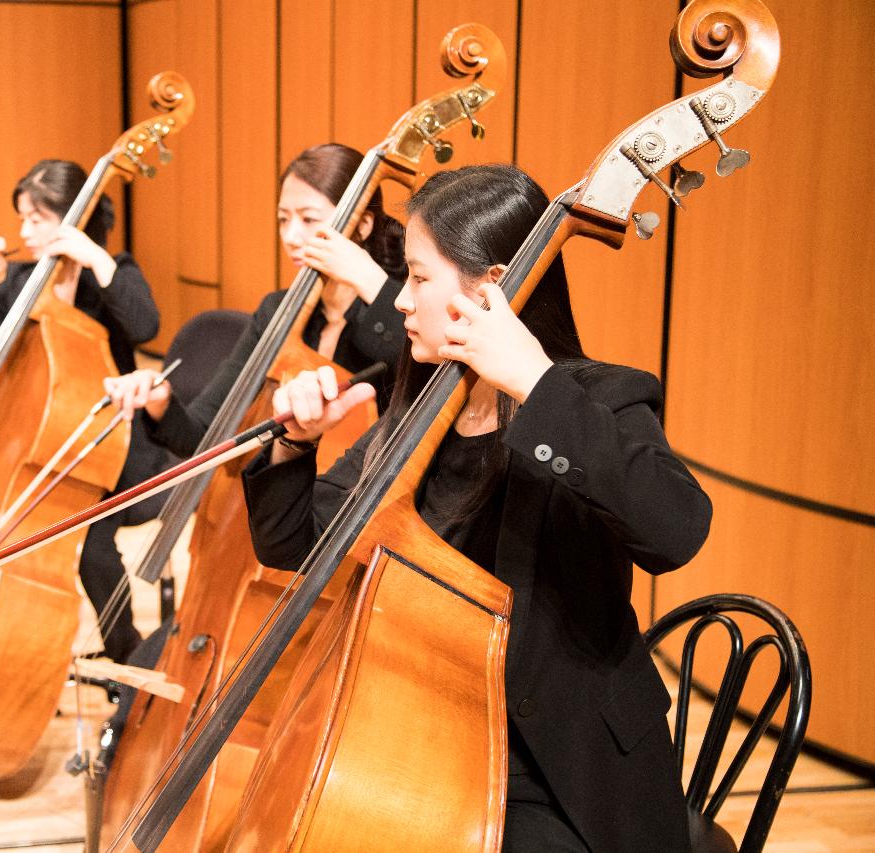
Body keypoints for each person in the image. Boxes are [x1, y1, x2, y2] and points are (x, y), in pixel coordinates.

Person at [240, 164, 711, 853]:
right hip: (424, 739)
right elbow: (294, 546)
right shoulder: (423, 407)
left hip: (557, 772)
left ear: (490, 287)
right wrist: (292, 444)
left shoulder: (598, 397)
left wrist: (535, 382)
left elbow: (677, 529)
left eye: (420, 278)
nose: (400, 299)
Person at [0, 159, 161, 663]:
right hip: (39, 444)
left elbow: (146, 325)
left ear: (74, 219)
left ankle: (126, 653)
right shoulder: (22, 280)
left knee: (89, 546)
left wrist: (95, 259)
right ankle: (11, 649)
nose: (24, 231)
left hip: (113, 446)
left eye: (37, 219)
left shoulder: (113, 273)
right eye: (22, 218)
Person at [102, 143, 406, 458]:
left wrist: (372, 282)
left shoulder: (403, 314)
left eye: (308, 219)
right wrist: (161, 401)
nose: (290, 236)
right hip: (282, 498)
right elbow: (205, 433)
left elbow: (422, 372)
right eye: (283, 219)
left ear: (363, 225)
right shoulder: (276, 312)